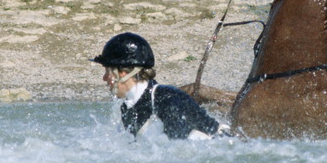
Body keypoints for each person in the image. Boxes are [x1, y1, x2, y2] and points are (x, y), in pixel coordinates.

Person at [91, 32, 228, 140]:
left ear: (122, 72)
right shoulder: (127, 108)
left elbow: (179, 151)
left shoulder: (168, 100)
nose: (104, 78)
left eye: (107, 72)